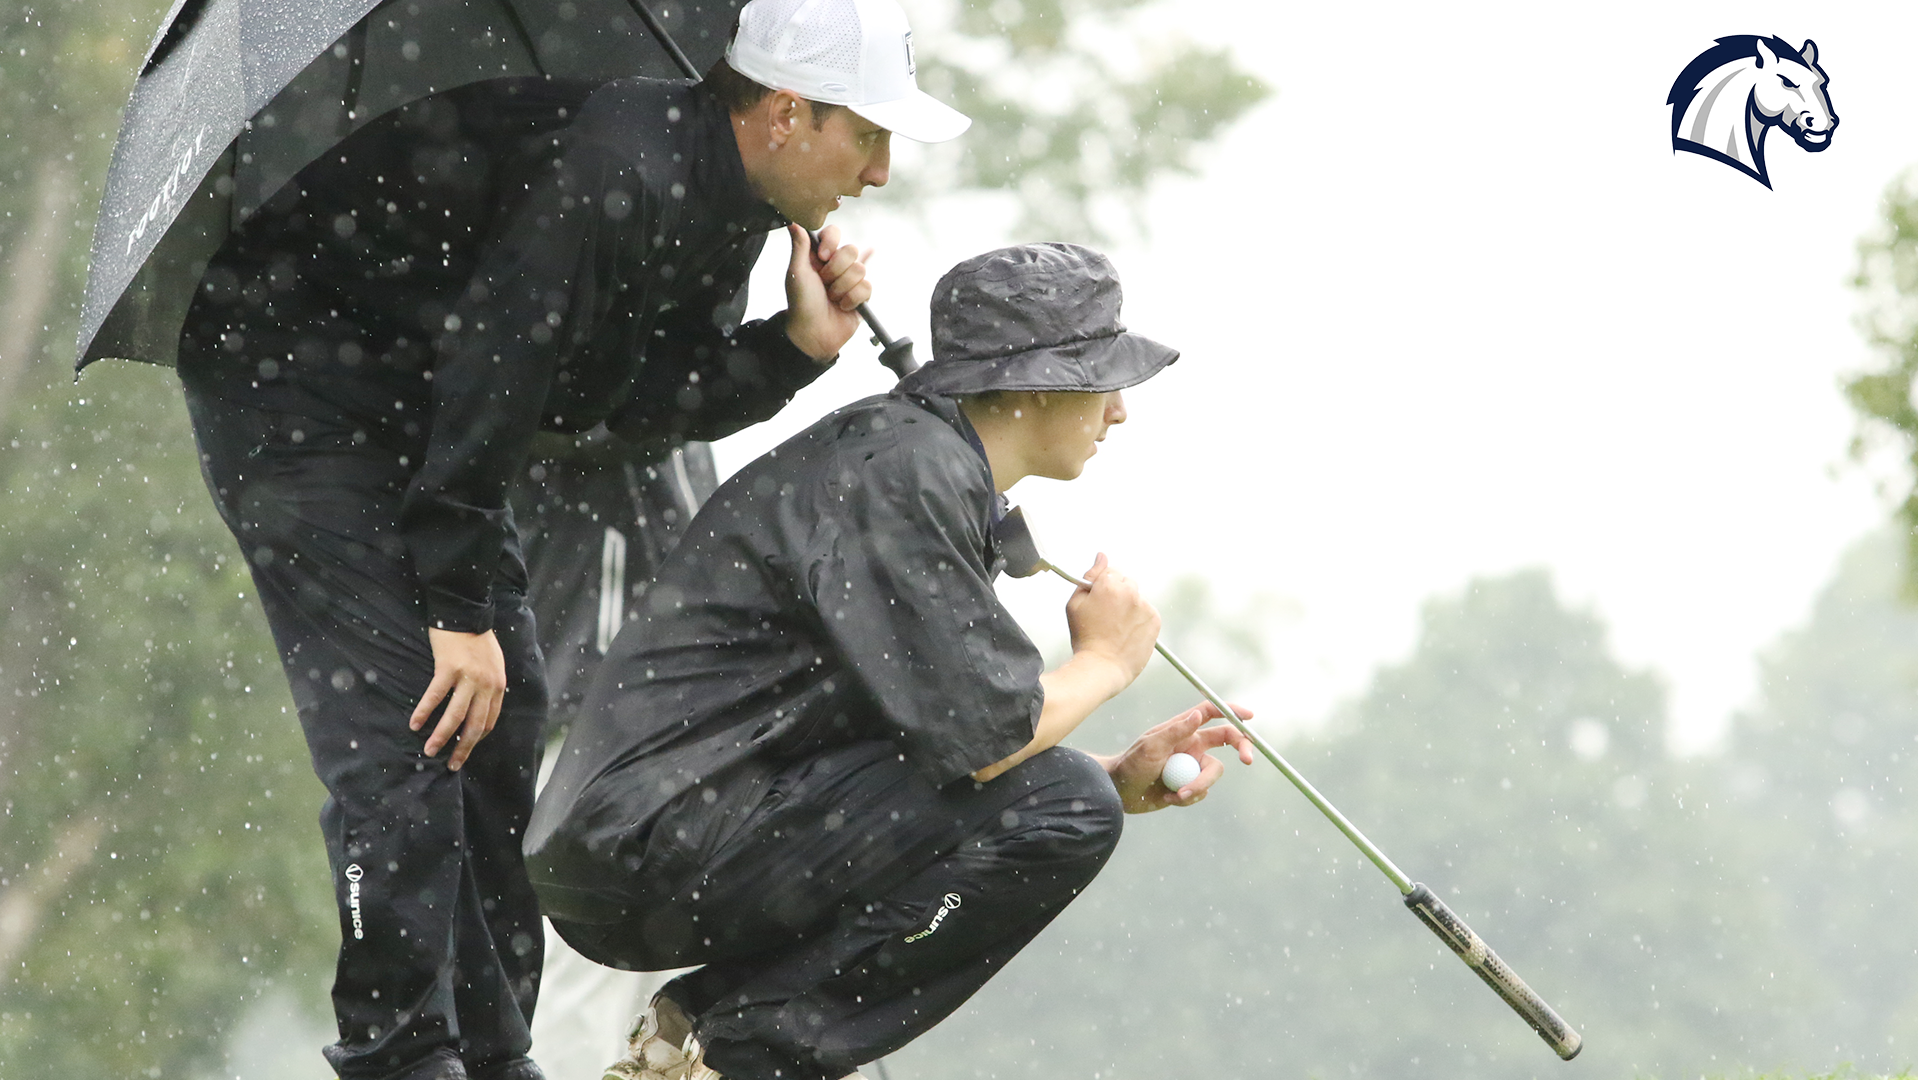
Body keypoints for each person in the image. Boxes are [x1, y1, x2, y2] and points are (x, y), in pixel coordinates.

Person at [171, 0, 972, 1075]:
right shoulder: (614, 170)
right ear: (786, 112)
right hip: (287, 381)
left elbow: (626, 404)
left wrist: (793, 346)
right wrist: (455, 612)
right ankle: (396, 1052)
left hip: (418, 411)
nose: (877, 172)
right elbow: (497, 379)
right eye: (867, 136)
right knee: (412, 723)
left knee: (509, 718)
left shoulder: (727, 205)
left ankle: (496, 1055)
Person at [524, 243, 1258, 1080]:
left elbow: (936, 755)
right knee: (1069, 807)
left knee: (1071, 794)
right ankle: (728, 1056)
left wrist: (1114, 767)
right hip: (653, 843)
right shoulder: (907, 471)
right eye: (1103, 379)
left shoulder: (908, 458)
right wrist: (1105, 662)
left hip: (654, 837)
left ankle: (698, 1031)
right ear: (1037, 382)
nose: (1119, 410)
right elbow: (986, 740)